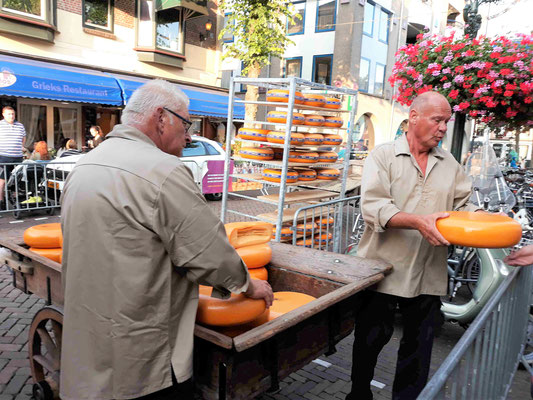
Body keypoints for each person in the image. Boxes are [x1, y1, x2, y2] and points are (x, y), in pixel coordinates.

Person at [60, 79, 274, 400]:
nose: (189, 136)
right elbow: (207, 251)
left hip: (88, 335)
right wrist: (248, 284)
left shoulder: (85, 164)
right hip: (141, 354)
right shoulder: (164, 170)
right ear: (161, 117)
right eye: (186, 123)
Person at [346, 92, 479, 400]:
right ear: (414, 116)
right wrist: (419, 222)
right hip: (382, 270)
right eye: (438, 120)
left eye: (447, 121)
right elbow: (373, 207)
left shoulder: (450, 164)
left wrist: (483, 220)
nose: (444, 128)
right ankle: (358, 394)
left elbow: (465, 205)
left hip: (427, 273)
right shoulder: (383, 156)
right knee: (368, 342)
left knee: (418, 352)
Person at [0, 106, 26, 203]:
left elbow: (23, 138)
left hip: (18, 157)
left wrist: (21, 147)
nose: (11, 116)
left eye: (13, 114)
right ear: (3, 114)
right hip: (3, 157)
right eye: (9, 114)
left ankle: (15, 199)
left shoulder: (20, 125)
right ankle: (1, 201)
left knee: (17, 179)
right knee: (2, 180)